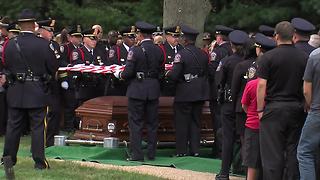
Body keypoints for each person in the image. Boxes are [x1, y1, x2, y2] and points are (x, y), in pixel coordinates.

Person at [1, 9, 58, 169]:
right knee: (38, 128)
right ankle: (39, 162)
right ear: (34, 25)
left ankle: (8, 160)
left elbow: (7, 66)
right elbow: (52, 67)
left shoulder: (10, 44)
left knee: (13, 127)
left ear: (19, 26)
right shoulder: (43, 44)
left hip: (16, 90)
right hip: (37, 90)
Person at [256, 21, 308, 179]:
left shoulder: (268, 57)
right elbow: (306, 85)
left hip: (274, 108)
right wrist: (306, 104)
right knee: (293, 151)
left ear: (276, 36)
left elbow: (261, 86)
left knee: (272, 154)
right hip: (296, 108)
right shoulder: (304, 57)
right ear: (293, 36)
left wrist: (259, 109)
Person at [113, 21, 163, 161]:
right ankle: (152, 153)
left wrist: (120, 75)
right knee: (152, 124)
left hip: (138, 90)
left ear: (140, 35)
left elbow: (128, 72)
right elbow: (161, 71)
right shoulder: (159, 50)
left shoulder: (135, 50)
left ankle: (137, 154)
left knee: (136, 123)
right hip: (153, 89)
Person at [166, 25, 209, 157]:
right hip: (199, 92)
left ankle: (181, 151)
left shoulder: (181, 54)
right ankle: (195, 150)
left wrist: (168, 74)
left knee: (182, 122)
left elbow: (174, 75)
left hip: (185, 92)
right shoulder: (203, 54)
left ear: (185, 40)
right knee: (196, 122)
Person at [215, 30, 249, 180]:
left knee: (228, 137)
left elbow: (219, 81)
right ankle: (246, 169)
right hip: (246, 104)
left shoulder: (228, 61)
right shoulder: (250, 62)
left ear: (231, 45)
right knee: (245, 137)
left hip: (229, 103)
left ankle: (224, 172)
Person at [208, 25, 233, 158]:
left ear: (218, 37)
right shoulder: (233, 50)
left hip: (217, 90)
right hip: (231, 90)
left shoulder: (217, 52)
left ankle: (218, 149)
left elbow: (212, 71)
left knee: (217, 121)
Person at [37, 19, 62, 147]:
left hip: (54, 84)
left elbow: (59, 62)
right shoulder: (38, 44)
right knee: (45, 115)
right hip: (42, 84)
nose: (52, 33)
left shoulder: (54, 45)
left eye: (52, 30)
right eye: (49, 30)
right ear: (41, 30)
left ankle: (52, 140)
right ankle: (42, 142)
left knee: (55, 112)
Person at [297, 48, 320, 180]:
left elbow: (306, 89)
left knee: (304, 152)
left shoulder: (315, 56)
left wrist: (311, 105)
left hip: (317, 110)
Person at [71, 29, 105, 104]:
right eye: (92, 39)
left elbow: (104, 65)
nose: (94, 41)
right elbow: (77, 65)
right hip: (84, 88)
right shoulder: (78, 52)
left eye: (95, 39)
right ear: (84, 39)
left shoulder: (99, 52)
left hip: (98, 88)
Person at [59, 25, 82, 132]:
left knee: (76, 103)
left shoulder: (80, 49)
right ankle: (68, 126)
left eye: (79, 37)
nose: (78, 39)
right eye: (76, 37)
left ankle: (75, 124)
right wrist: (64, 79)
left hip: (76, 80)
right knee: (70, 104)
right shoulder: (66, 47)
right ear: (70, 37)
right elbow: (60, 62)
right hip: (68, 78)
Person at [105, 26, 136, 96]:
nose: (133, 39)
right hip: (119, 85)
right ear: (124, 37)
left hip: (133, 85)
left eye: (134, 37)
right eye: (130, 37)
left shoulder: (137, 50)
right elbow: (112, 64)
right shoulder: (115, 49)